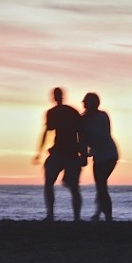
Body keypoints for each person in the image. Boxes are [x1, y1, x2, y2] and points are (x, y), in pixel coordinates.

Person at [33, 87, 84, 221]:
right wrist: (39, 151)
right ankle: (52, 214)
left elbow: (81, 133)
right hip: (61, 152)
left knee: (71, 186)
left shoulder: (69, 112)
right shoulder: (56, 112)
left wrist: (83, 153)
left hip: (70, 152)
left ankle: (73, 217)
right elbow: (47, 131)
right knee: (53, 184)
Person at [81, 92, 119, 222]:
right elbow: (83, 140)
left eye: (85, 101)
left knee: (101, 185)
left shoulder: (102, 116)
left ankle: (107, 216)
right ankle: (99, 212)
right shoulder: (84, 119)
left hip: (109, 154)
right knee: (100, 185)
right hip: (99, 156)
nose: (83, 103)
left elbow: (103, 136)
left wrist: (88, 153)